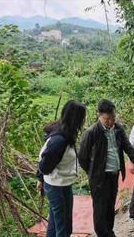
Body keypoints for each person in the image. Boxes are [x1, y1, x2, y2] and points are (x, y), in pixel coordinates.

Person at [78, 99, 134, 237]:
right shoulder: (92, 132)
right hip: (99, 179)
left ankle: (110, 232)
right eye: (107, 119)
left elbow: (129, 149)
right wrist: (94, 172)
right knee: (100, 209)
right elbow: (82, 157)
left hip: (113, 175)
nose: (110, 122)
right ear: (99, 115)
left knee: (110, 207)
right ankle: (103, 234)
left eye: (113, 118)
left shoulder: (118, 129)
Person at [37, 100, 87, 237]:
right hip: (55, 185)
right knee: (63, 226)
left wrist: (41, 177)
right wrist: (41, 177)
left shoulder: (66, 133)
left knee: (58, 222)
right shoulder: (60, 140)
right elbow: (45, 162)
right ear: (76, 118)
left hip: (63, 183)